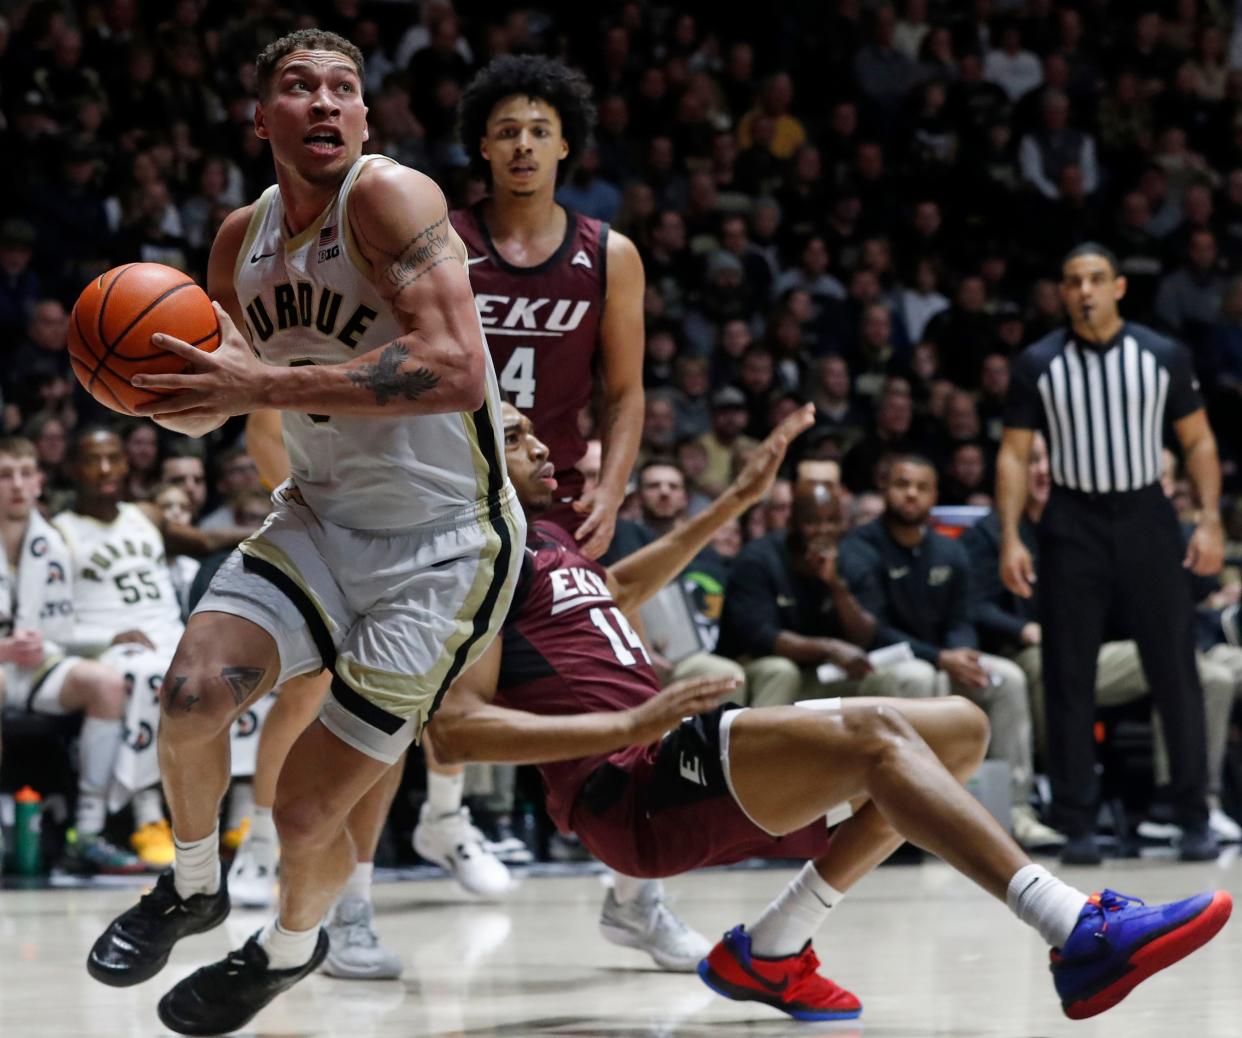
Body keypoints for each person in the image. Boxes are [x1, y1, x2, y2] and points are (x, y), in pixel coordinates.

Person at [430, 401, 1231, 1023]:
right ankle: (1073, 929)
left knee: (957, 730)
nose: (539, 445)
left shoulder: (547, 542)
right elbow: (454, 728)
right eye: (514, 435)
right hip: (628, 787)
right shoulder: (476, 561)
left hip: (663, 757)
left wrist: (735, 503)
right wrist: (624, 729)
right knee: (881, 737)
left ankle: (773, 948)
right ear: (465, 458)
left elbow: (622, 589)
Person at [86, 30, 523, 1037]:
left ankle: (287, 948)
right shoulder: (241, 239)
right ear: (262, 119)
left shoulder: (391, 199)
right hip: (320, 520)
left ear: (365, 118)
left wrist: (263, 385)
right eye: (298, 88)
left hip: (444, 546)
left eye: (344, 89)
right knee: (192, 691)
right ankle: (192, 887)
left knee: (307, 813)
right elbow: (225, 396)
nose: (325, 104)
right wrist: (147, 392)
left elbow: (455, 370)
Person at [997, 242, 1224, 864]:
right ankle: (1076, 820)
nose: (1085, 290)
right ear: (1062, 292)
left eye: (1096, 278)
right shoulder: (1038, 363)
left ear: (1119, 287)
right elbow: (1015, 454)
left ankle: (1192, 814)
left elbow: (1200, 441)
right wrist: (1012, 534)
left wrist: (1208, 523)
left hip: (1148, 516)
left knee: (1175, 668)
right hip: (1073, 520)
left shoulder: (1162, 355)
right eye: (1073, 281)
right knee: (1069, 674)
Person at [54, 427, 249, 869]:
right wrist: (102, 640)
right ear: (71, 469)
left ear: (127, 464)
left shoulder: (145, 514)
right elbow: (48, 614)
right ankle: (147, 818)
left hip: (170, 639)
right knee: (149, 677)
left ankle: (240, 821)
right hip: (108, 646)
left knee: (242, 674)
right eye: (92, 460)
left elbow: (203, 542)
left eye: (114, 458)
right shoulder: (56, 531)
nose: (105, 470)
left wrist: (272, 530)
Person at [846, 455, 1060, 849]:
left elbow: (963, 617)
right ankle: (909, 816)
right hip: (879, 665)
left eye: (921, 487)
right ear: (884, 488)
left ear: (934, 496)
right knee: (919, 677)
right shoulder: (860, 548)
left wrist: (961, 653)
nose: (911, 494)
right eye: (902, 484)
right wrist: (940, 657)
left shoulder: (949, 551)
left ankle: (1017, 811)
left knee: (1005, 678)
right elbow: (873, 631)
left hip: (941, 659)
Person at [0, 436, 144, 874]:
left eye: (26, 474)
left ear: (41, 481)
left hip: (39, 664)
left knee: (106, 683)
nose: (18, 485)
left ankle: (88, 832)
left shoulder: (52, 543)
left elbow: (61, 630)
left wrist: (109, 637)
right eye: (6, 476)